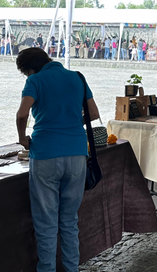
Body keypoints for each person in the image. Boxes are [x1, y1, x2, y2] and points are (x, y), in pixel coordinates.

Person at [15, 48, 100, 271]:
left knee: (46, 222)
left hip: (45, 155)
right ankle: (71, 268)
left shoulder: (35, 80)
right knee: (69, 220)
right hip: (77, 154)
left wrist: (23, 137)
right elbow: (93, 114)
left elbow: (22, 113)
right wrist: (70, 126)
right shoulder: (77, 78)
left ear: (30, 69)